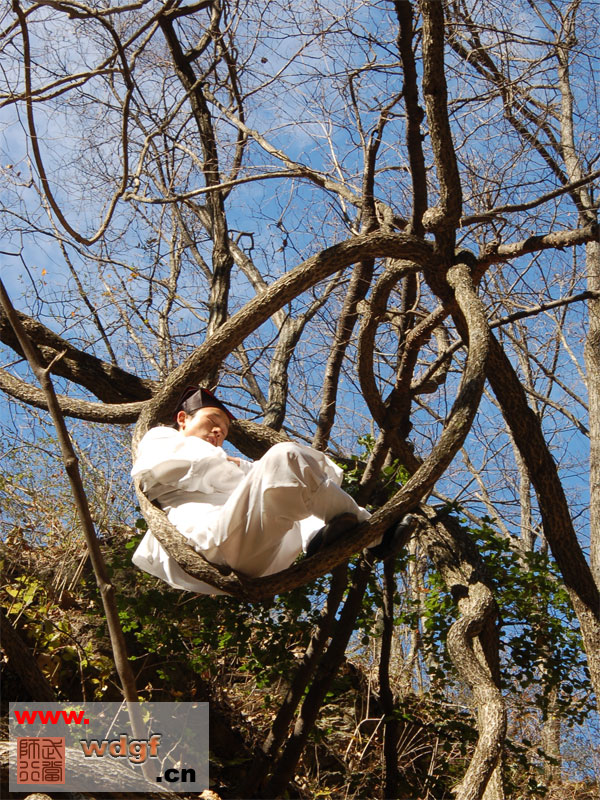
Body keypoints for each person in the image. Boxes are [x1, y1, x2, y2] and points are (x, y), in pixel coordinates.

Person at [131, 387, 372, 594]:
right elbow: (194, 468)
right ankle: (372, 533)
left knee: (300, 478)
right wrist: (239, 468)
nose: (218, 432)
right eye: (213, 422)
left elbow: (322, 472)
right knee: (286, 456)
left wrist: (241, 467)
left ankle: (319, 537)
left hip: (262, 554)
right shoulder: (162, 438)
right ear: (183, 418)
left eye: (224, 432)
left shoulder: (225, 464)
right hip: (210, 543)